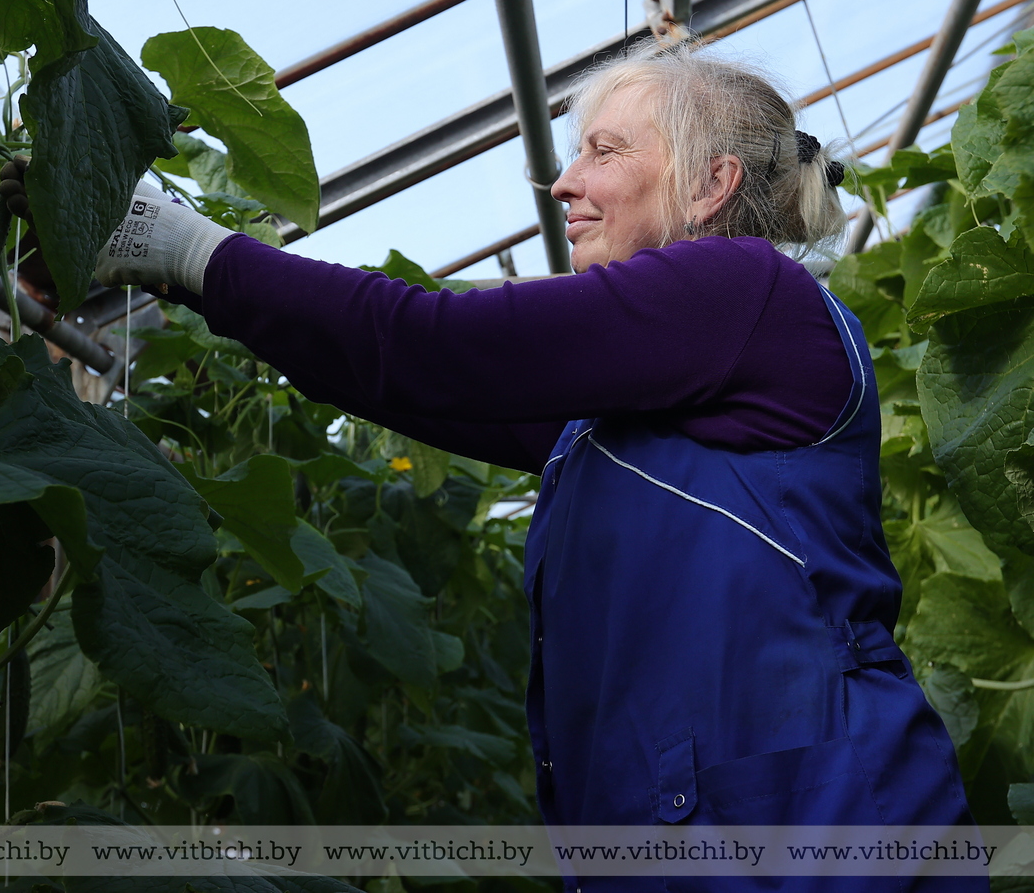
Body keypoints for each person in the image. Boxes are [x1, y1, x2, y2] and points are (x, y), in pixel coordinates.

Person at [75, 44, 980, 888]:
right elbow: (409, 386)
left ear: (712, 184)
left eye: (603, 151)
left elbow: (434, 348)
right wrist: (187, 277)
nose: (564, 182)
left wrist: (196, 249)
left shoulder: (741, 288)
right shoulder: (632, 395)